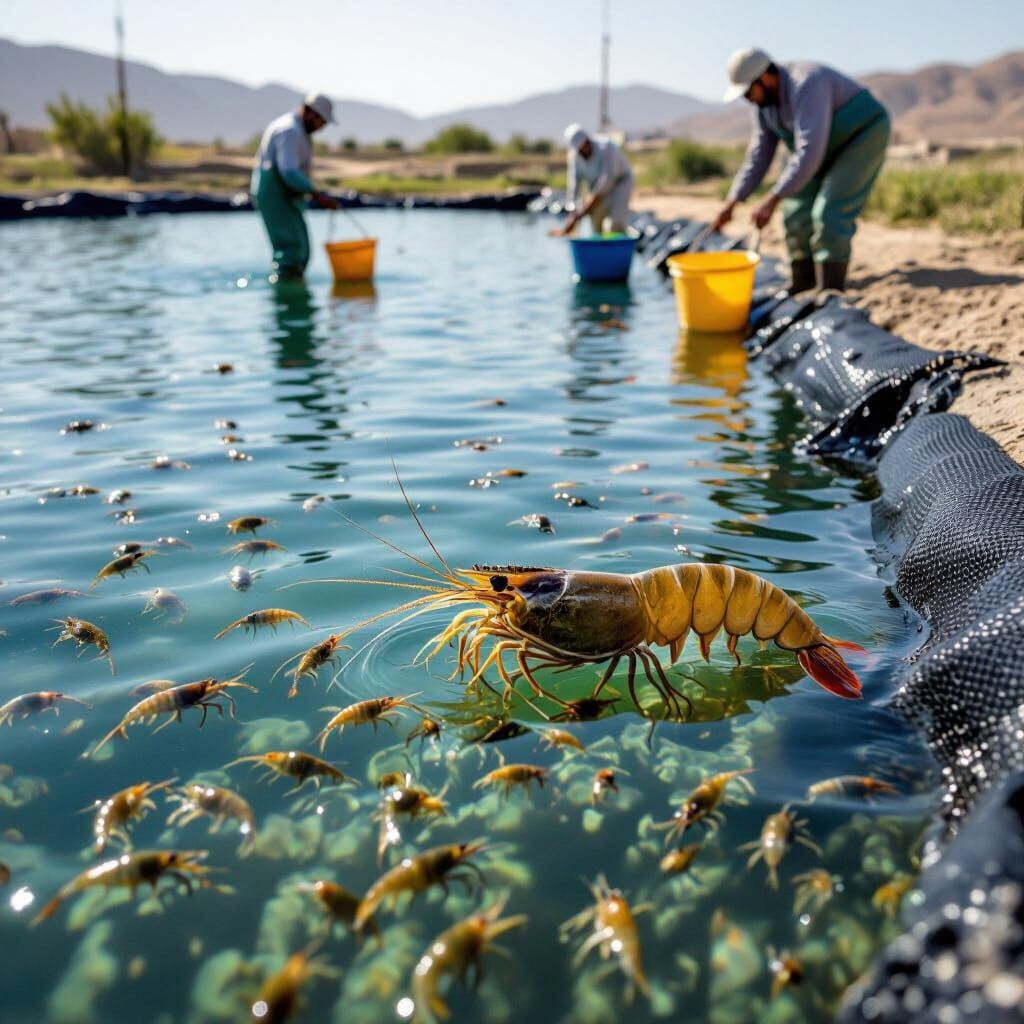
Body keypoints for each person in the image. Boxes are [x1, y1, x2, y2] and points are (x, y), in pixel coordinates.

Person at [711, 48, 890, 294]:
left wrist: (771, 199)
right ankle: (803, 283)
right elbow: (759, 155)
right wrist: (732, 202)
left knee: (829, 213)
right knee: (795, 214)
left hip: (859, 137)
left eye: (748, 92)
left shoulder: (807, 83)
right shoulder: (764, 107)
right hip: (820, 148)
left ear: (764, 78)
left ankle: (830, 291)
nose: (748, 100)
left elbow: (809, 151)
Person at [251, 92, 340, 280]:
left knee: (301, 250)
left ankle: (294, 289)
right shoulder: (289, 130)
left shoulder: (298, 130)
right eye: (321, 122)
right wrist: (317, 194)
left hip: (286, 196)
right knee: (290, 252)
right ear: (311, 114)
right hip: (275, 195)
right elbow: (289, 172)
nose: (322, 127)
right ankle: (285, 297)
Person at [552, 124, 634, 236]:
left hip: (619, 183)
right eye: (580, 148)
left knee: (616, 221)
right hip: (595, 188)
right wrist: (573, 212)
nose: (583, 149)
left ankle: (617, 248)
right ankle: (599, 249)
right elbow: (574, 184)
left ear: (587, 140)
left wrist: (585, 209)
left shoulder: (606, 147)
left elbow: (607, 178)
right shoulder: (574, 157)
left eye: (584, 145)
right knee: (596, 221)